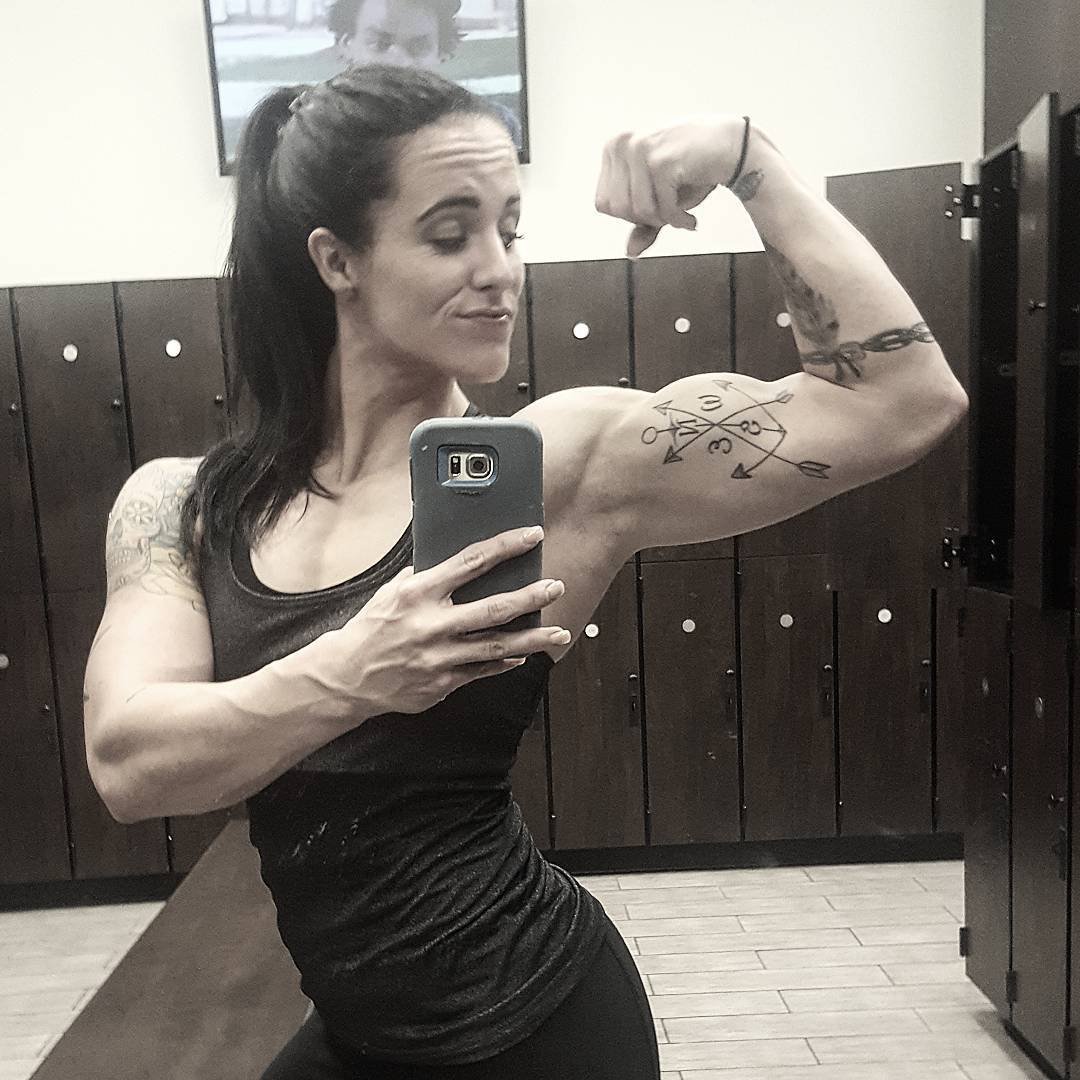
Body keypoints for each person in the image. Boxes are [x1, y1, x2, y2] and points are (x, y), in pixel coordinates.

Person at [82, 64, 966, 1079]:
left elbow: (902, 402)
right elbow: (130, 766)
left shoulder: (560, 467)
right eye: (451, 234)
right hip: (361, 1033)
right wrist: (352, 672)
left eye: (511, 229)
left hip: (535, 1026)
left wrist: (747, 156)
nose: (500, 268)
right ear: (337, 260)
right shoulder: (183, 506)